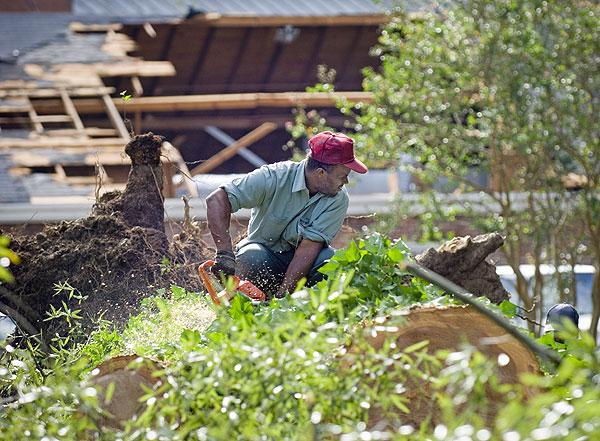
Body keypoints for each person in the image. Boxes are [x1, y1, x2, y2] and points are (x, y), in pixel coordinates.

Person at [205, 131, 368, 298]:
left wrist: (283, 298)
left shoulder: (338, 198)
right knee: (251, 256)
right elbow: (217, 200)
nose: (346, 182)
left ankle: (310, 310)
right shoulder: (274, 177)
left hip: (304, 266)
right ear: (321, 173)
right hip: (263, 256)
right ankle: (245, 305)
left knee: (333, 262)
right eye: (343, 176)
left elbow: (308, 249)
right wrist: (224, 254)